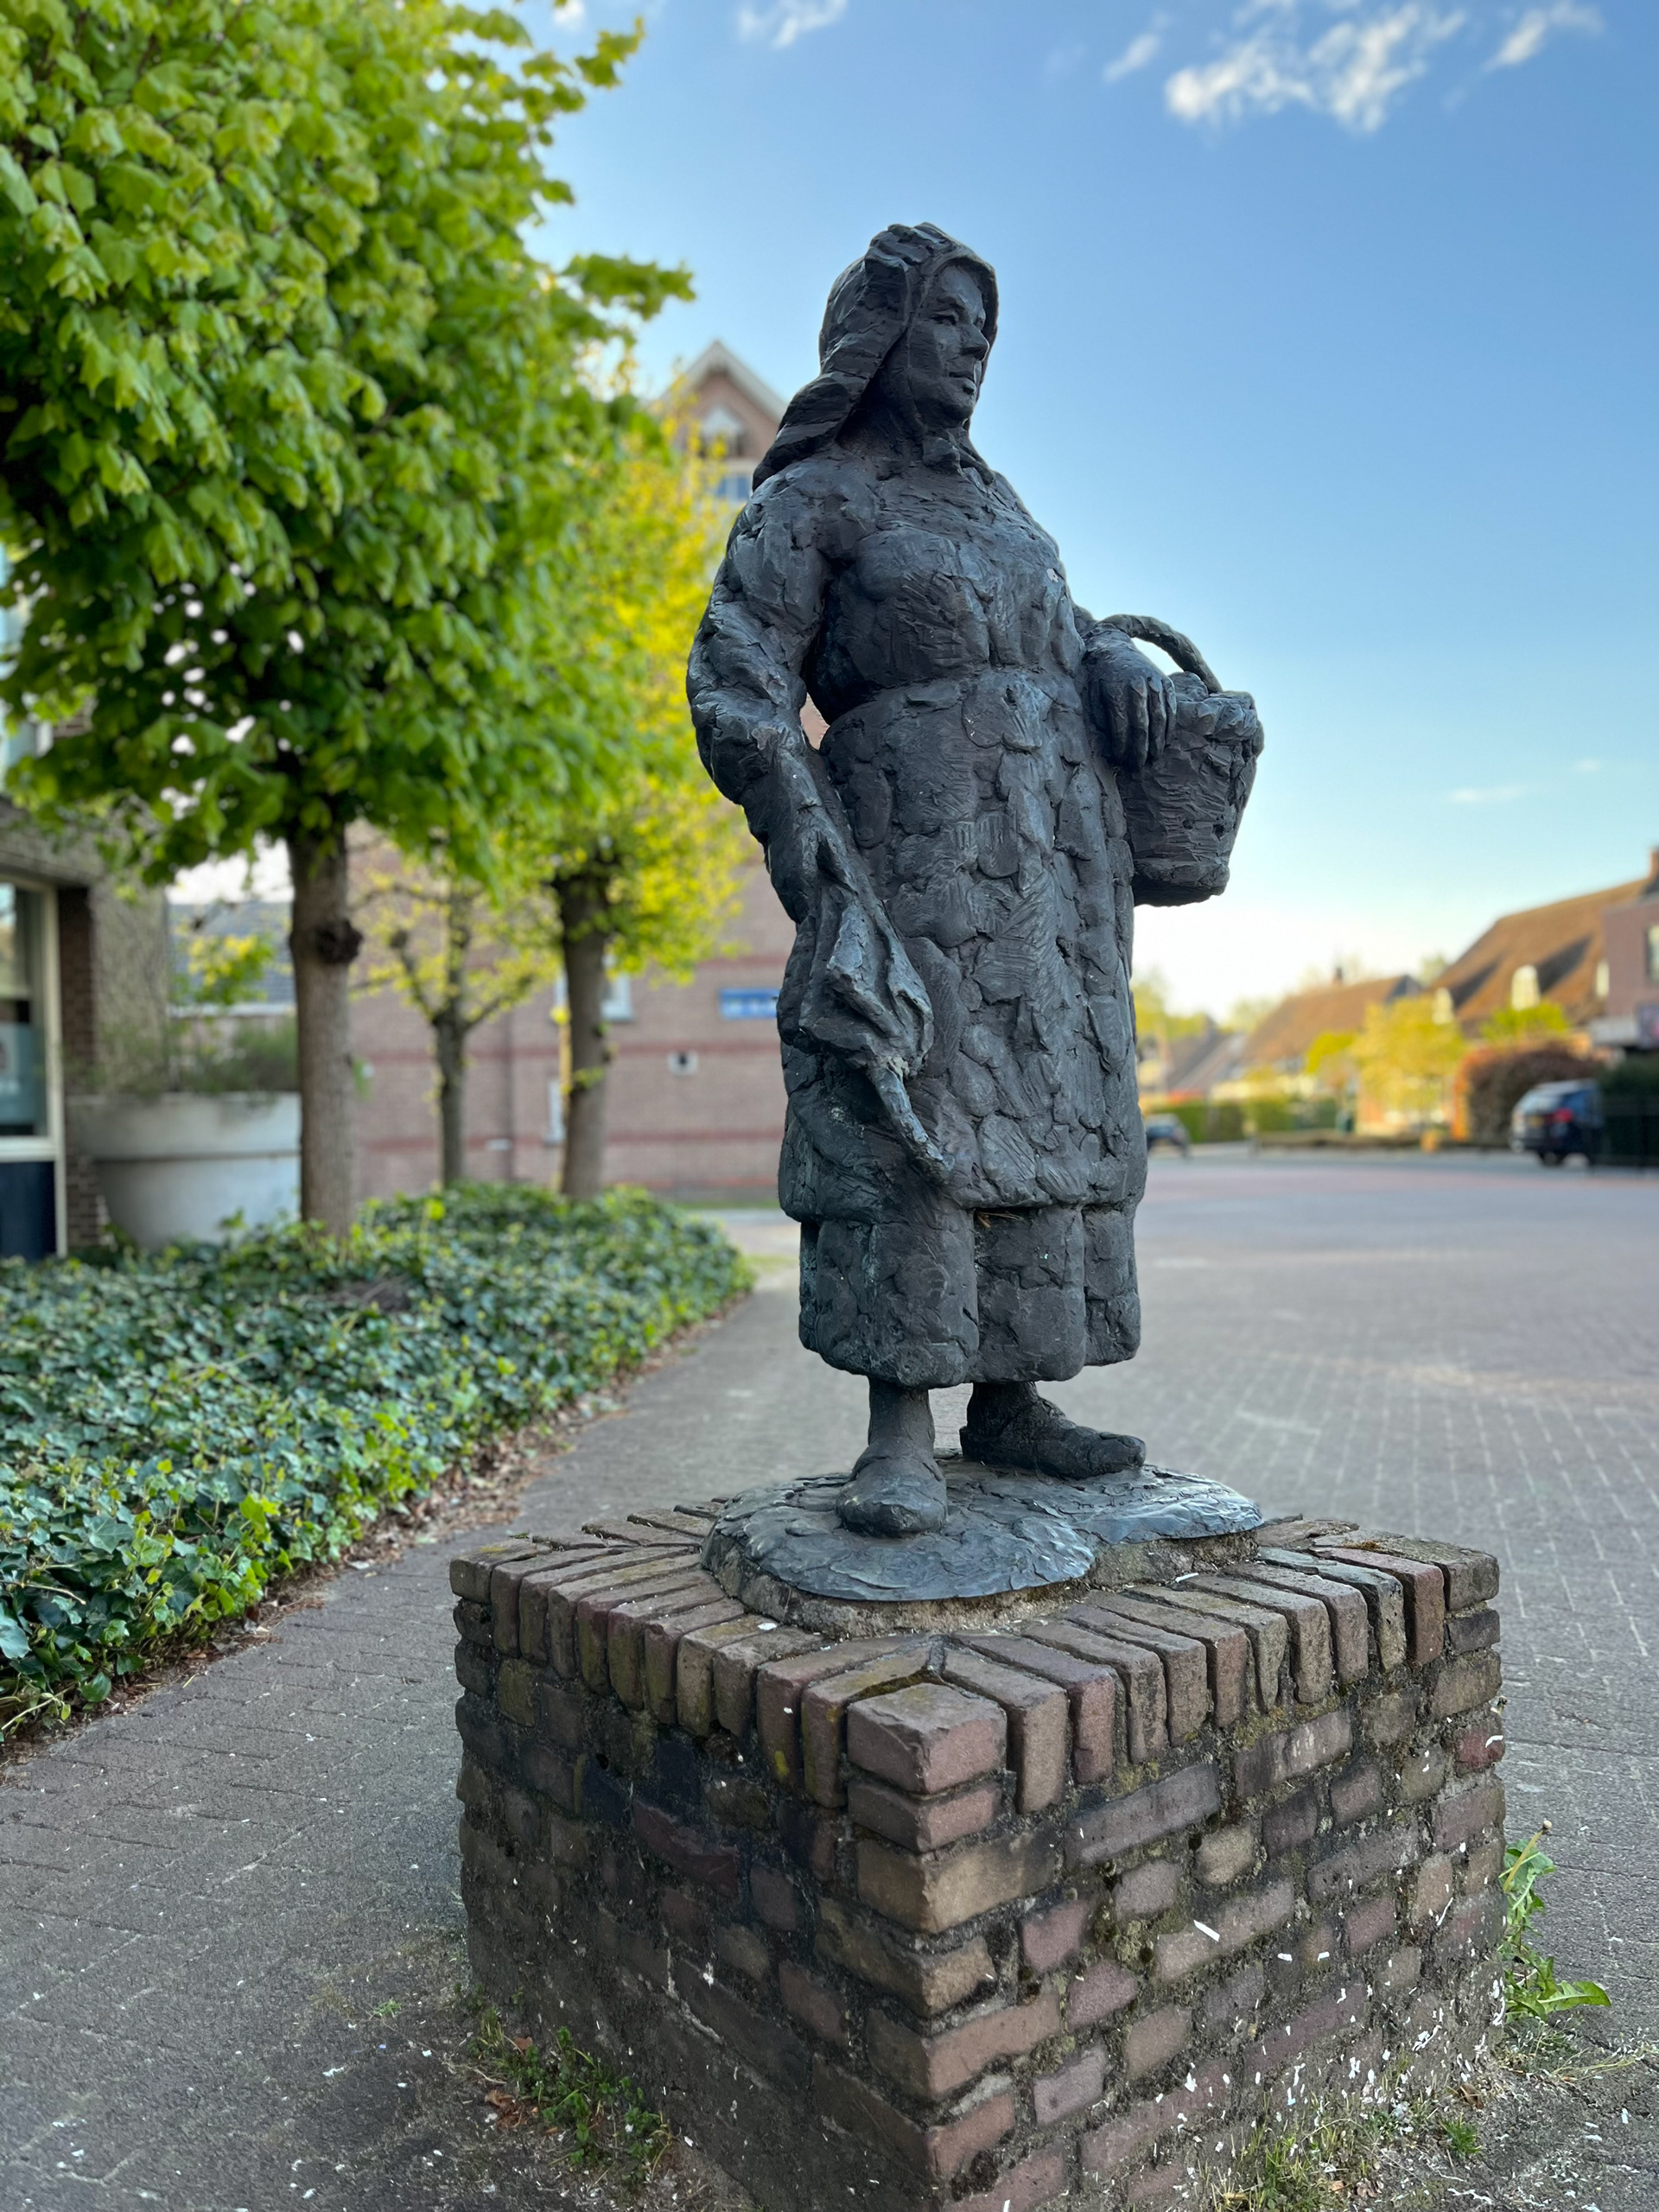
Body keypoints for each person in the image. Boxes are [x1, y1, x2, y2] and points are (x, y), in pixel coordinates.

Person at [688, 222, 1262, 1538]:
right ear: (879, 335)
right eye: (946, 321)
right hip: (911, 858)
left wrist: (1111, 653)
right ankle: (897, 1427)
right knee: (910, 1105)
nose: (973, 348)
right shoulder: (812, 502)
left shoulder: (1005, 510)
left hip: (1054, 872)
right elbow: (737, 687)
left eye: (985, 328)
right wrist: (823, 875)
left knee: (1051, 1105)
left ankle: (1013, 1398)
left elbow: (1060, 632)